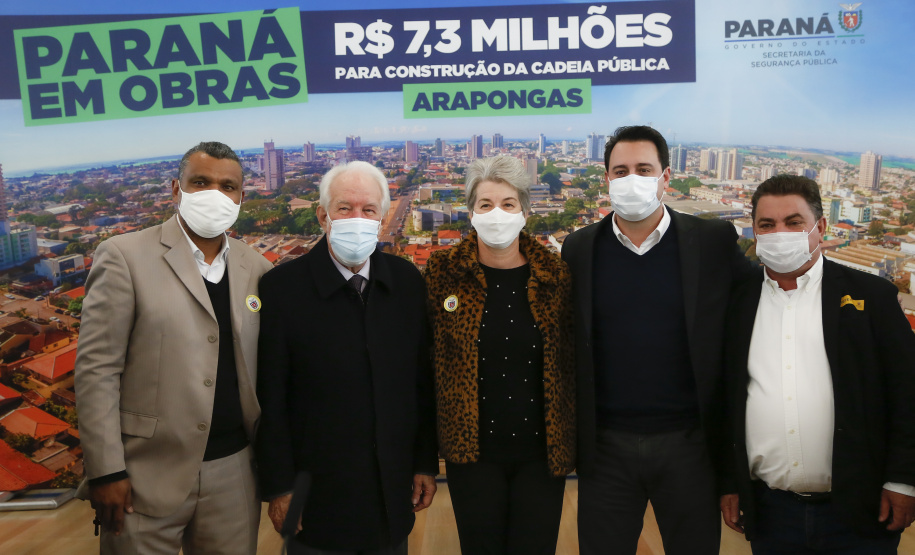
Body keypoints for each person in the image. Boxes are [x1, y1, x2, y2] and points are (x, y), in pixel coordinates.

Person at [561, 125, 758, 554]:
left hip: (690, 444)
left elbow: (760, 306)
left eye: (644, 169)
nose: (632, 179)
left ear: (666, 178)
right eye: (621, 170)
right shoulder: (578, 249)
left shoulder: (712, 241)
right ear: (606, 179)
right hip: (606, 447)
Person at [74, 141, 273, 554]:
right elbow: (97, 373)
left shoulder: (257, 268)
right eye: (200, 182)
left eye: (227, 186)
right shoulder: (123, 257)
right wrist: (106, 472)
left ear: (241, 197)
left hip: (234, 470)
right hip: (144, 470)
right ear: (175, 189)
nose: (214, 194)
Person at [720, 175, 915, 553]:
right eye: (767, 225)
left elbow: (908, 393)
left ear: (820, 227)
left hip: (861, 509)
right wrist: (730, 482)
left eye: (793, 222)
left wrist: (904, 481)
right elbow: (724, 400)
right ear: (755, 232)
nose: (780, 233)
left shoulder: (870, 297)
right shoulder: (735, 303)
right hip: (769, 511)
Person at [255, 160, 438, 555]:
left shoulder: (406, 281)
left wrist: (424, 462)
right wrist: (279, 487)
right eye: (344, 208)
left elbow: (420, 384)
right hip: (316, 498)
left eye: (368, 210)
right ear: (323, 215)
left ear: (383, 215)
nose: (357, 218)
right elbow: (271, 399)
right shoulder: (281, 290)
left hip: (391, 493)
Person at [423, 156, 575, 554]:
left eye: (508, 204)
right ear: (470, 212)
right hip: (471, 453)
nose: (496, 214)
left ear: (525, 211)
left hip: (542, 454)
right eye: (485, 204)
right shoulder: (442, 272)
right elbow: (424, 364)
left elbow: (572, 361)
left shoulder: (554, 275)